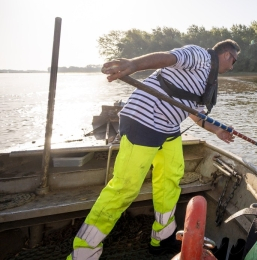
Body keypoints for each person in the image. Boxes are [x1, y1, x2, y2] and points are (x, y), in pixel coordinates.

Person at [67, 40, 241, 259]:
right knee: (125, 188)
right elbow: (170, 57)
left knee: (171, 177)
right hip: (142, 120)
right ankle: (83, 252)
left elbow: (195, 114)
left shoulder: (207, 80)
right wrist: (133, 64)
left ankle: (162, 237)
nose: (232, 66)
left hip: (168, 127)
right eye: (233, 60)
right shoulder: (200, 56)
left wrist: (218, 131)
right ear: (226, 54)